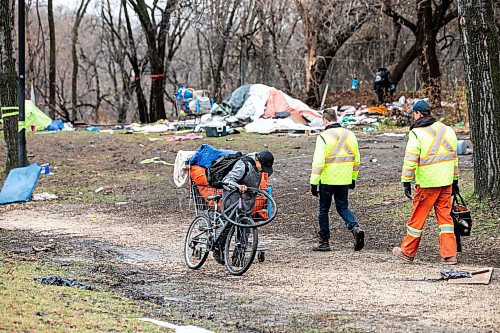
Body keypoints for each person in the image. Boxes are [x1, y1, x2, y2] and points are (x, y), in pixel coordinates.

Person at [393, 100, 459, 265]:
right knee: (446, 220)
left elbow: (410, 160)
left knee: (417, 219)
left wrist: (406, 181)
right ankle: (450, 255)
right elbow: (454, 157)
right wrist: (455, 179)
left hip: (427, 184)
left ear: (417, 114)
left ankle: (407, 252)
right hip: (446, 181)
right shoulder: (448, 130)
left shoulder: (416, 133)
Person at [310, 108, 364, 252]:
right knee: (343, 208)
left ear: (325, 120)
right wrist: (353, 178)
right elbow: (356, 159)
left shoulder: (323, 137)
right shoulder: (350, 135)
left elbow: (318, 162)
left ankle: (324, 242)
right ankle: (355, 228)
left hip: (327, 180)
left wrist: (313, 182)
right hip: (344, 179)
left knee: (323, 210)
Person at [212, 151, 274, 263]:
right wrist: (238, 186)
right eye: (263, 167)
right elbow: (227, 180)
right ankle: (218, 247)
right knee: (231, 222)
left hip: (247, 198)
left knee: (245, 225)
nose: (263, 170)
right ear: (257, 161)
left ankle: (239, 255)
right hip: (232, 195)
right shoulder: (243, 165)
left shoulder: (259, 169)